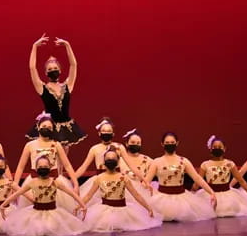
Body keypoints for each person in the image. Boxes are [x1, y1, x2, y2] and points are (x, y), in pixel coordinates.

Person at [26, 35, 87, 163]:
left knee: (64, 160)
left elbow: (73, 65)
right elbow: (32, 68)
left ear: (60, 70)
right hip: (50, 127)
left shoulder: (67, 86)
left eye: (55, 69)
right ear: (45, 72)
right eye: (50, 69)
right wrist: (34, 47)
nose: (53, 70)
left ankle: (60, 179)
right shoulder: (42, 88)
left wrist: (67, 45)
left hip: (66, 128)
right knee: (50, 158)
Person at [0, 156, 87, 236]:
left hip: (53, 212)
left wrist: (82, 205)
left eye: (45, 166)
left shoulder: (55, 182)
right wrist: (3, 204)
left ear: (50, 167)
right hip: (36, 212)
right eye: (40, 166)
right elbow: (17, 194)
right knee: (37, 228)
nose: (43, 168)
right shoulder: (32, 182)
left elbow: (72, 194)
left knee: (50, 227)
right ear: (36, 168)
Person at [81, 150, 162, 232]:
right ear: (104, 161)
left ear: (118, 161)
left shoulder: (123, 178)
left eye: (113, 158)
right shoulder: (99, 178)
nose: (111, 160)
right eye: (108, 158)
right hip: (104, 212)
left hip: (122, 211)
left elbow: (136, 195)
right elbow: (89, 195)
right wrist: (79, 205)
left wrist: (148, 208)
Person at [76, 120, 151, 207]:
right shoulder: (95, 149)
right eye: (104, 131)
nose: (106, 133)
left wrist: (145, 180)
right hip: (101, 181)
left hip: (117, 182)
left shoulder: (119, 147)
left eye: (109, 131)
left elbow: (132, 166)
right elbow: (83, 167)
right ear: (99, 133)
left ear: (113, 134)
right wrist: (73, 179)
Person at [14, 113, 80, 212]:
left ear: (53, 129)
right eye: (44, 126)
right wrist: (16, 184)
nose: (46, 128)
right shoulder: (30, 145)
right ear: (38, 127)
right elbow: (20, 167)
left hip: (53, 182)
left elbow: (67, 165)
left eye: (49, 127)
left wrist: (75, 184)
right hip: (35, 181)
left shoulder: (56, 145)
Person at [145, 132, 217, 221]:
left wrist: (211, 192)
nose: (170, 145)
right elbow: (146, 181)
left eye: (172, 143)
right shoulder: (157, 161)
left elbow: (197, 178)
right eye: (167, 143)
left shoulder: (184, 161)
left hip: (182, 198)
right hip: (161, 199)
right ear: (162, 144)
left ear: (177, 143)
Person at [192, 135, 247, 217]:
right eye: (214, 147)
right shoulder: (205, 164)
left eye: (219, 147)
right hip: (210, 195)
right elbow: (198, 182)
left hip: (227, 197)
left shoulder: (229, 163)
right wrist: (192, 194)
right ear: (210, 149)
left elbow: (241, 181)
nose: (217, 149)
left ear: (224, 149)